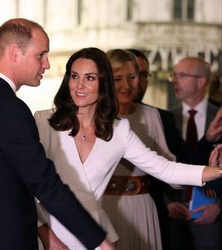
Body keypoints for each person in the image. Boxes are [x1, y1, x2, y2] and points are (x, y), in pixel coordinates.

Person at [34, 47, 222, 250]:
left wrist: (218, 171)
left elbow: (165, 169)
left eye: (89, 78)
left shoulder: (119, 130)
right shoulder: (44, 122)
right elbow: (23, 185)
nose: (79, 85)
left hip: (96, 239)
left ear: (104, 83)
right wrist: (47, 236)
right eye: (74, 76)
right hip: (49, 234)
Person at [0, 18, 114, 250]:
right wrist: (99, 242)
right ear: (15, 53)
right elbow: (45, 184)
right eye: (41, 55)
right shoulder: (10, 109)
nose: (47, 64)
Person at [102, 48, 175, 250]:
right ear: (106, 80)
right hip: (106, 208)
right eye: (117, 79)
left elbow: (168, 165)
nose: (126, 85)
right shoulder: (93, 116)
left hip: (143, 208)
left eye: (132, 77)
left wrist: (207, 171)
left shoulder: (152, 115)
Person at [168, 56, 222, 250]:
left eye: (182, 75)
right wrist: (166, 204)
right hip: (172, 219)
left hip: (213, 224)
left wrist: (219, 207)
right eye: (174, 75)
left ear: (201, 81)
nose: (174, 80)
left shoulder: (219, 117)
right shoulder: (165, 119)